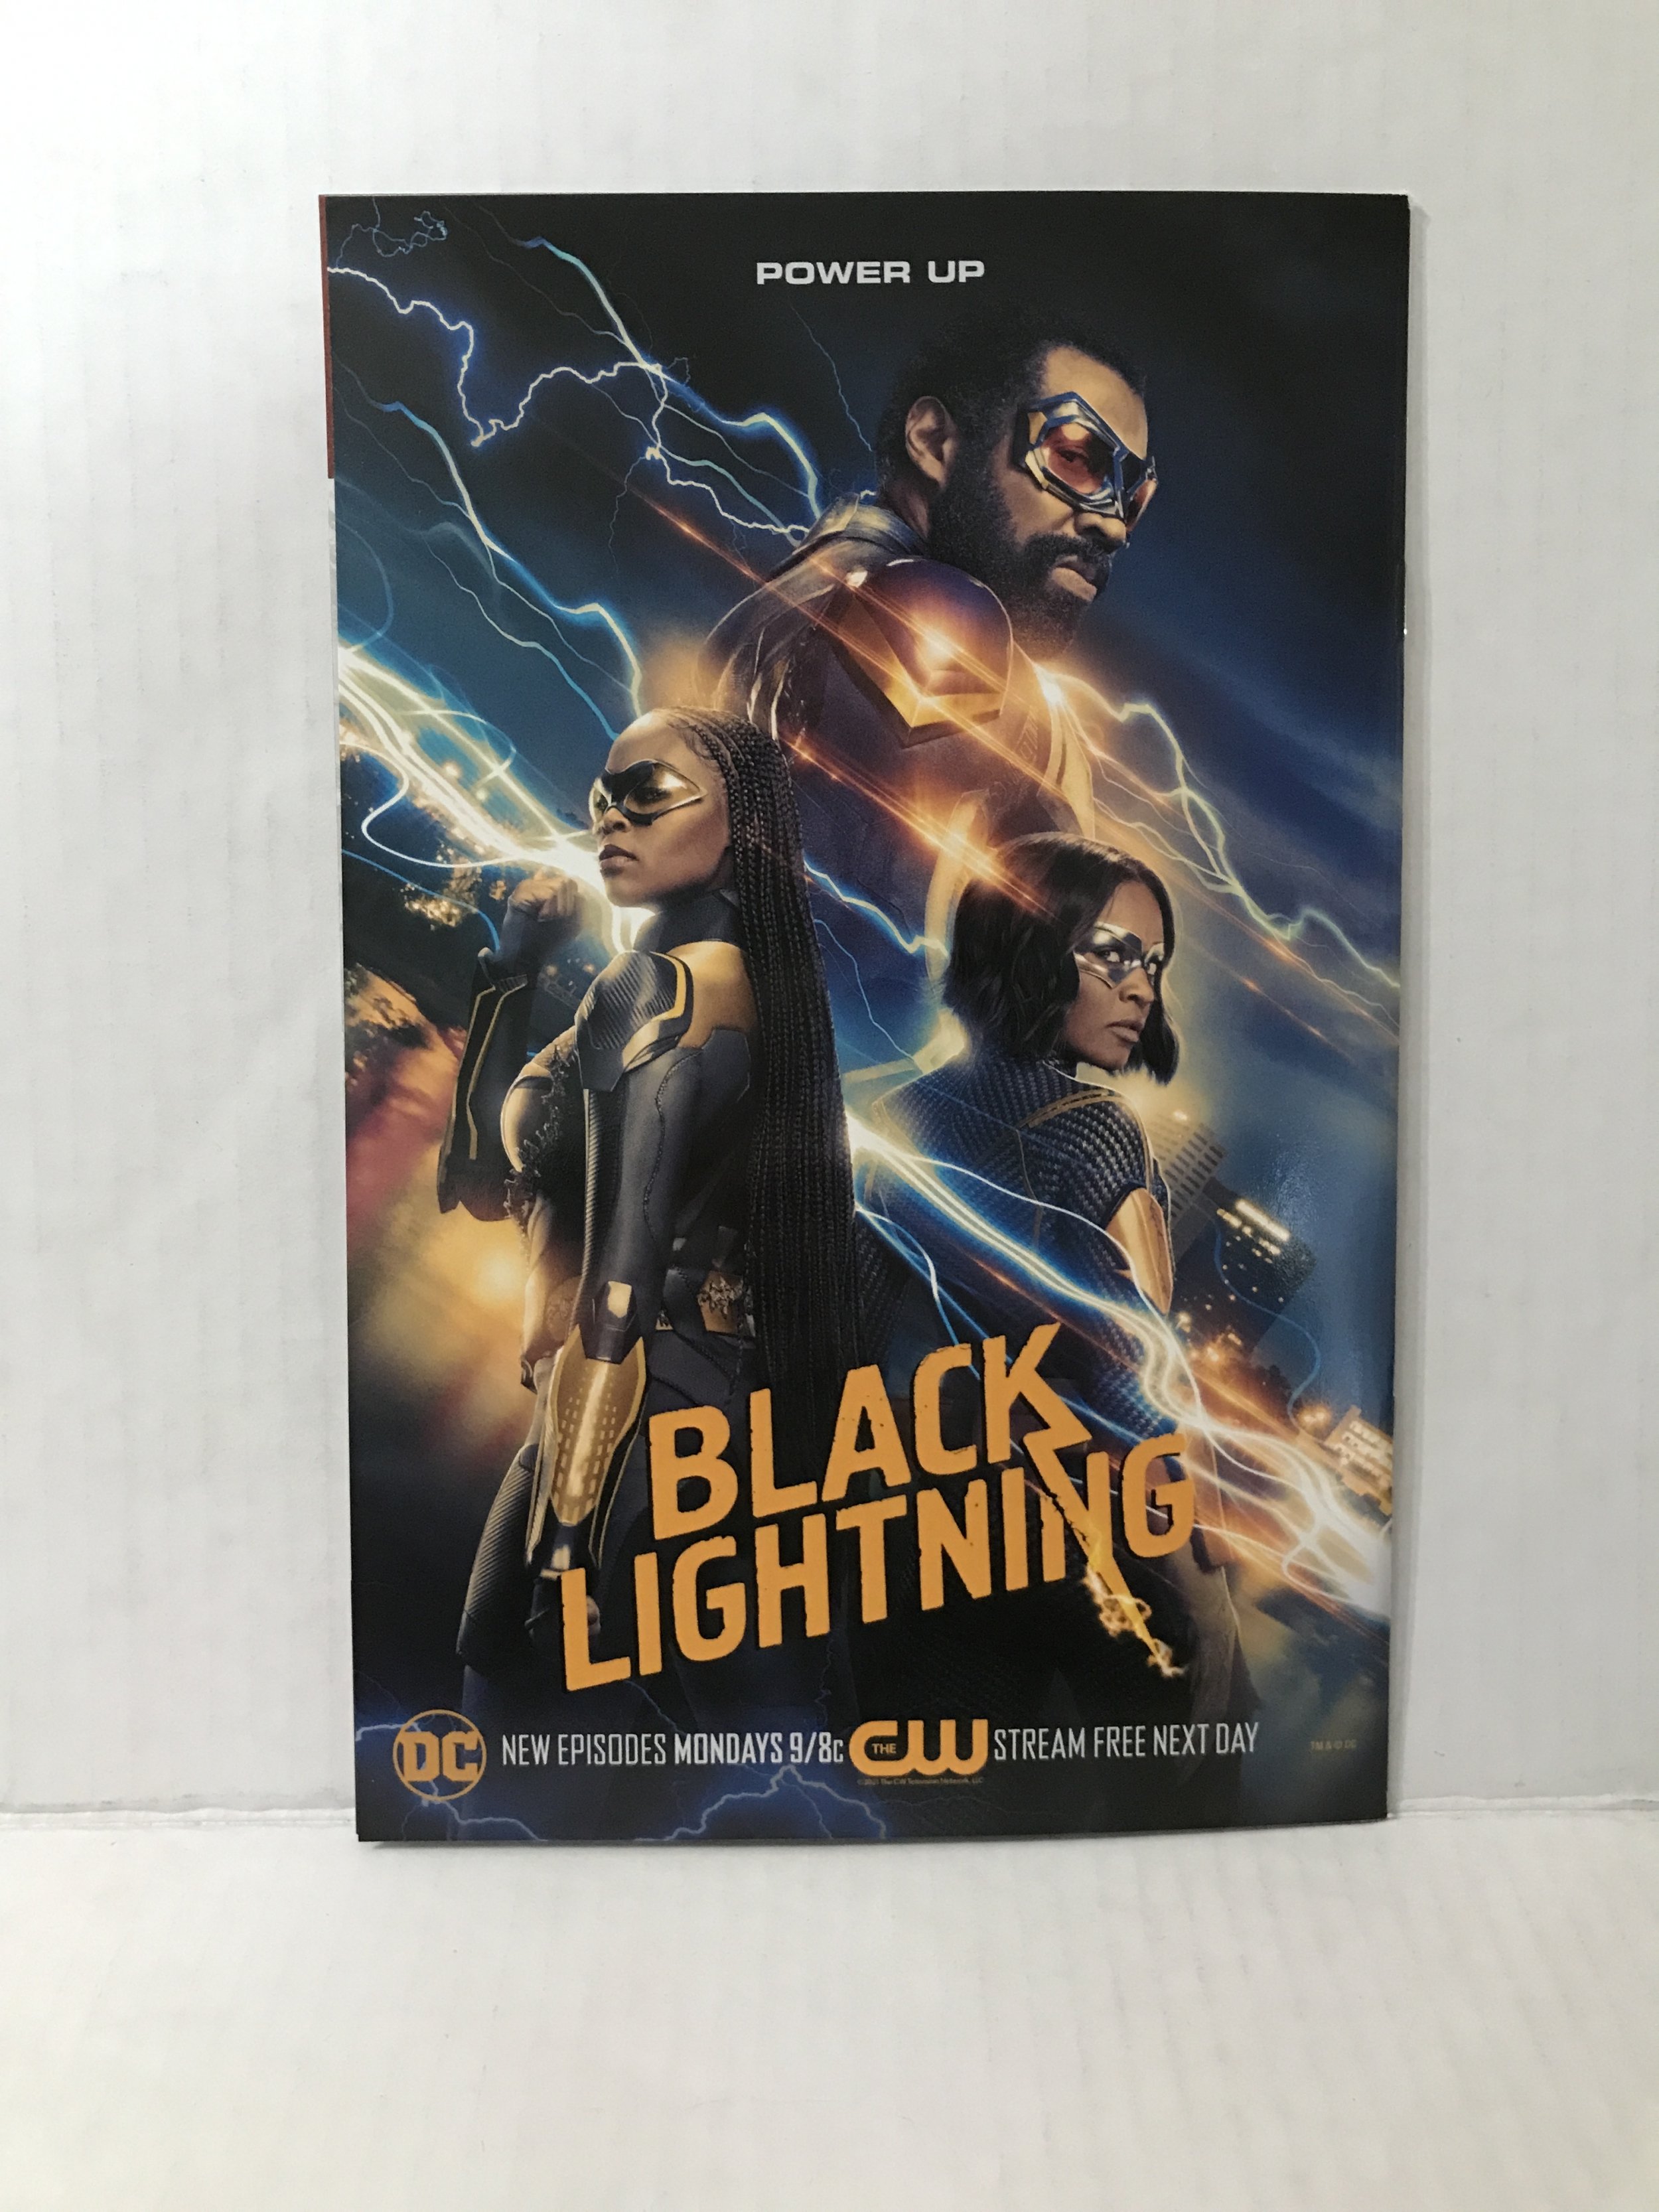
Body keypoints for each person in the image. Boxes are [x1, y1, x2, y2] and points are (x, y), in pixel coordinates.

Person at [453, 708, 861, 1744]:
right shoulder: (732, 989)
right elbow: (487, 1182)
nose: (611, 819)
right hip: (686, 1412)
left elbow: (618, 1295)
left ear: (742, 823)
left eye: (649, 796)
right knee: (749, 1737)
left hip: (630, 1415)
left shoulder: (661, 992)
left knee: (508, 1709)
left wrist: (566, 1545)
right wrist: (513, 975)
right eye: (604, 797)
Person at [857, 834, 1253, 1833]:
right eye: (1112, 955)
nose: (1142, 989)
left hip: (898, 1533)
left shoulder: (896, 1118)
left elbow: (851, 1338)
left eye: (1152, 963)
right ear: (1032, 948)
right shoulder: (1093, 1129)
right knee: (1171, 1803)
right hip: (1061, 1540)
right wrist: (1205, 1594)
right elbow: (1141, 1379)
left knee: (928, 1812)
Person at [704, 309, 1159, 1066]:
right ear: (935, 441)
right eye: (1076, 459)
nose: (1111, 525)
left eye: (1133, 497)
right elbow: (858, 982)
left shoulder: (842, 583)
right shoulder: (929, 618)